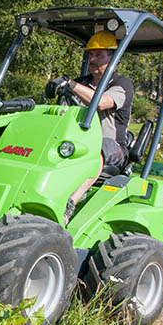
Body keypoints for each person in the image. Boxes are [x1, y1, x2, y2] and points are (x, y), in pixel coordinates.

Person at [50, 30, 134, 225]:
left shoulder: (122, 84)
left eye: (98, 55)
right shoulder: (83, 83)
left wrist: (69, 84)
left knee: (100, 147)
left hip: (115, 149)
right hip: (78, 145)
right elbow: (62, 113)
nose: (92, 59)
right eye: (90, 55)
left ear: (112, 57)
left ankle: (70, 203)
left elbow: (101, 102)